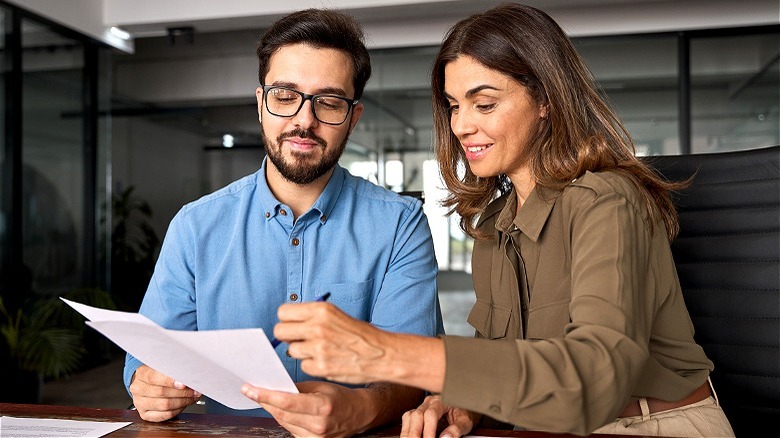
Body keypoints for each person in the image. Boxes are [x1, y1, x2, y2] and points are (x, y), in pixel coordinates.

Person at [268, 3, 736, 437]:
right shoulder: (493, 226)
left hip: (656, 426)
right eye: (453, 106)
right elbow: (515, 369)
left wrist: (385, 352)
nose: (461, 125)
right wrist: (465, 401)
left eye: (484, 103)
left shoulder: (608, 200)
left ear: (546, 99)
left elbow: (594, 381)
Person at [123, 8, 443, 437]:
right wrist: (147, 385)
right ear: (261, 104)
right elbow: (148, 357)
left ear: (354, 117)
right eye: (285, 95)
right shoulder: (196, 227)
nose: (304, 120)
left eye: (329, 102)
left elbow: (415, 370)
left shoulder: (399, 226)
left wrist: (360, 407)